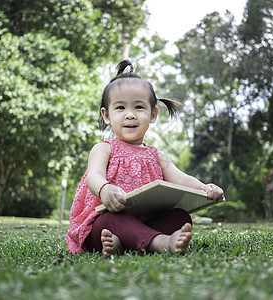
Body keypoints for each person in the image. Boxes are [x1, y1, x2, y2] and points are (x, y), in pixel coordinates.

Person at [66, 59, 224, 257]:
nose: (130, 115)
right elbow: (94, 175)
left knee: (181, 217)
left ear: (153, 114)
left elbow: (181, 179)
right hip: (108, 222)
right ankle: (161, 242)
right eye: (120, 108)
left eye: (139, 107)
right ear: (106, 116)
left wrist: (204, 188)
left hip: (146, 221)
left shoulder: (158, 156)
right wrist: (104, 188)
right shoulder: (103, 149)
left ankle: (126, 244)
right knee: (109, 222)